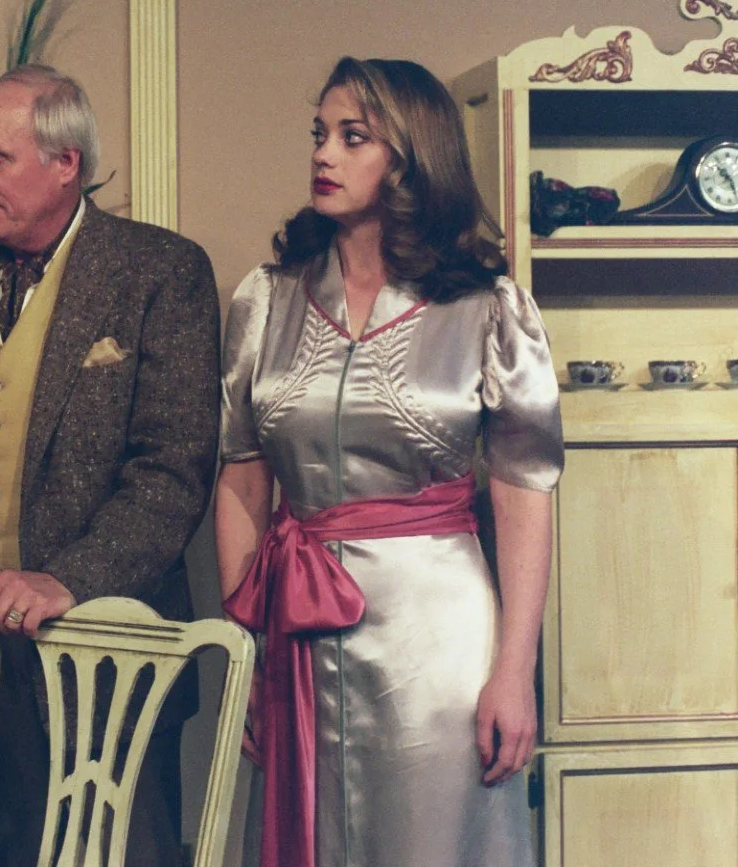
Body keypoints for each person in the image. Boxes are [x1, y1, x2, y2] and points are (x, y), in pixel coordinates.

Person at [216, 57, 563, 867]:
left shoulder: (487, 307)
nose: (323, 154)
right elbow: (241, 476)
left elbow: (523, 495)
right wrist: (246, 651)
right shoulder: (266, 299)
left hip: (435, 637)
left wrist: (514, 671)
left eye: (353, 137)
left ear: (411, 157)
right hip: (295, 633)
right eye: (320, 134)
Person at [0, 64, 220, 865]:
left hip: (115, 666)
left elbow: (173, 470)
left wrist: (68, 579)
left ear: (65, 163)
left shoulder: (161, 272)